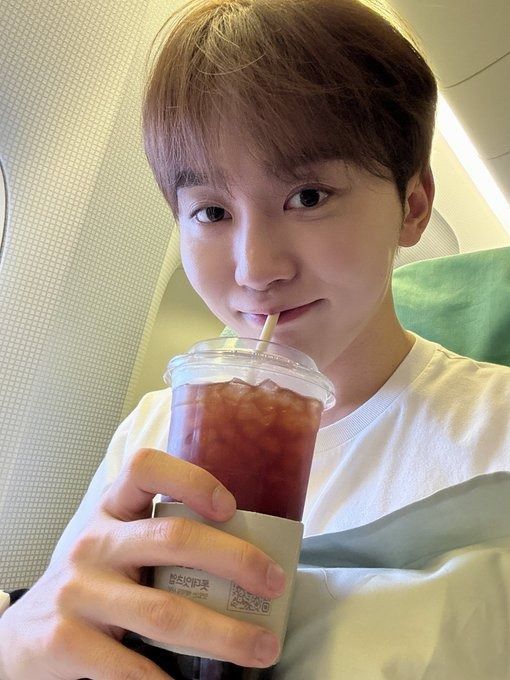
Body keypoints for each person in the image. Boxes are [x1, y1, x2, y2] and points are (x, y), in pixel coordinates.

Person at [1, 0, 509, 678]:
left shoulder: (496, 435)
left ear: (412, 206)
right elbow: (71, 631)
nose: (254, 269)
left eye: (308, 196)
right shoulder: (154, 429)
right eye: (211, 210)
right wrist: (16, 645)